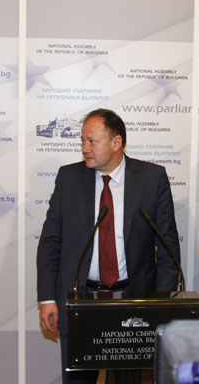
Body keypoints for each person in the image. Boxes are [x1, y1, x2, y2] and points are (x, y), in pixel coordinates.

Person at [37, 108, 180, 383]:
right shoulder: (68, 178)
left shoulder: (152, 178)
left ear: (116, 143)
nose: (85, 148)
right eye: (83, 141)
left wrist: (162, 304)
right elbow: (51, 241)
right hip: (80, 300)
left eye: (92, 141)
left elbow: (168, 247)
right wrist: (47, 298)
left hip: (133, 300)